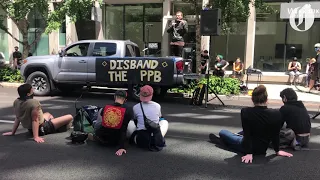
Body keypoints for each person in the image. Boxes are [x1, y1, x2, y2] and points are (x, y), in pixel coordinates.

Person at [209, 85, 293, 163]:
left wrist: (249, 152)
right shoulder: (276, 113)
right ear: (266, 99)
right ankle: (233, 137)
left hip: (246, 146)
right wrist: (277, 150)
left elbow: (247, 133)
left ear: (252, 100)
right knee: (244, 133)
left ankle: (223, 141)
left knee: (223, 132)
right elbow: (275, 134)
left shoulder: (245, 111)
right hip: (262, 149)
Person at [2, 84, 73, 143]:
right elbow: (35, 120)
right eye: (31, 90)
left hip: (31, 129)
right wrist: (36, 137)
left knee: (48, 114)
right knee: (70, 117)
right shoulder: (33, 102)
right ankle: (53, 128)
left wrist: (13, 132)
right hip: (42, 128)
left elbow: (18, 117)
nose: (33, 90)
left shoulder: (16, 102)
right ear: (28, 93)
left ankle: (54, 126)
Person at [88, 90, 133, 156]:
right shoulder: (128, 110)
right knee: (128, 125)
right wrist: (122, 147)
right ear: (125, 100)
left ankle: (95, 135)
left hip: (102, 138)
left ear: (114, 97)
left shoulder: (106, 107)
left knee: (100, 114)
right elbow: (124, 129)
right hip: (116, 140)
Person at [127, 85, 169, 151]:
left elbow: (135, 120)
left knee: (130, 123)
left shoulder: (136, 107)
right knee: (164, 122)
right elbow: (160, 118)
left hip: (140, 141)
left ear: (140, 94)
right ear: (151, 95)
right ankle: (159, 137)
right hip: (155, 141)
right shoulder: (157, 106)